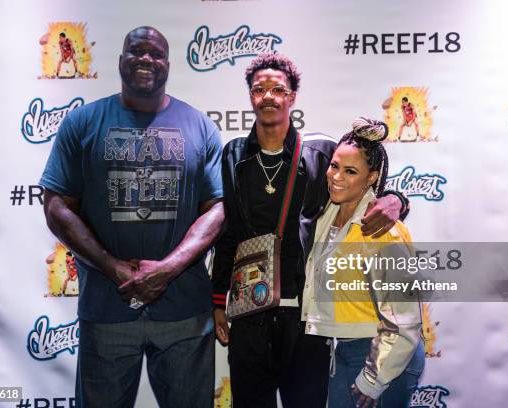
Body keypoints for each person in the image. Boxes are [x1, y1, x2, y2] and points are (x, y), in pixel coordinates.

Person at [211, 53, 410, 408]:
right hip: (249, 314)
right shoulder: (233, 155)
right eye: (259, 89)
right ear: (250, 96)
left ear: (292, 98)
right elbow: (228, 233)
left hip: (305, 320)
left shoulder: (320, 153)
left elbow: (362, 174)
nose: (268, 96)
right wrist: (217, 301)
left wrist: (395, 199)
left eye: (278, 89)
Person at [40, 26, 225, 408]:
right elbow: (57, 206)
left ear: (168, 65)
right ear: (121, 59)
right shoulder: (83, 123)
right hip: (108, 309)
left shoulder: (199, 126)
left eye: (155, 53)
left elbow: (218, 209)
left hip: (183, 313)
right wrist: (113, 268)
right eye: (136, 51)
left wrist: (167, 269)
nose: (145, 59)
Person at [302, 117, 424, 408]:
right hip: (344, 349)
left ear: (371, 178)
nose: (336, 177)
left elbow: (404, 317)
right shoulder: (326, 214)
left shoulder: (383, 231)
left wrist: (375, 377)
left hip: (380, 354)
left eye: (350, 171)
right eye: (334, 166)